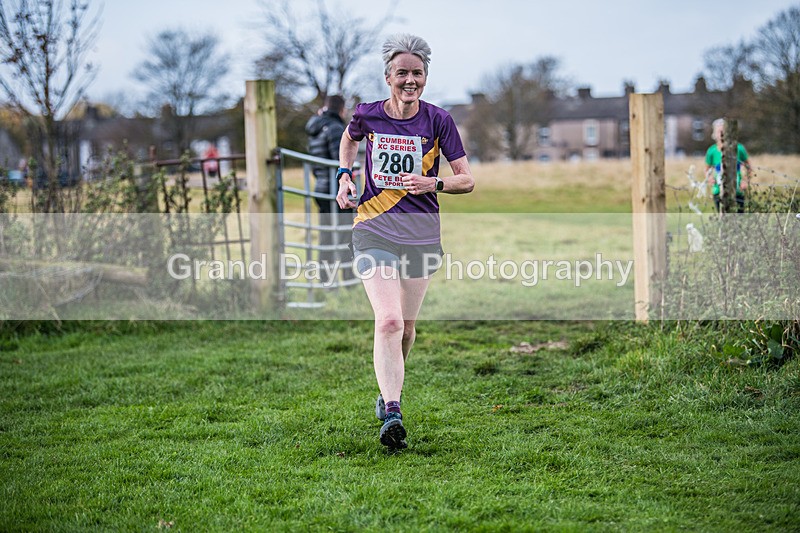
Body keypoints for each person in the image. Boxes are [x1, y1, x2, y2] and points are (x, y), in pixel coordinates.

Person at [336, 34, 475, 450]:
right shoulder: (367, 115)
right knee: (389, 321)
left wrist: (433, 182)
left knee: (408, 328)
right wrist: (345, 175)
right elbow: (348, 139)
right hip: (373, 227)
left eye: (417, 73)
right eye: (402, 73)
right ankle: (393, 410)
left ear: (425, 78)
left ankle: (385, 390)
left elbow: (466, 179)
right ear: (388, 77)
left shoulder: (438, 121)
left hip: (420, 233)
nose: (409, 80)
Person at [305, 94, 354, 283]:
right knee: (345, 234)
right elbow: (341, 163)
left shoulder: (315, 127)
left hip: (320, 187)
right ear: (341, 109)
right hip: (335, 190)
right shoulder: (335, 128)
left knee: (326, 235)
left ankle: (325, 279)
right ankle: (347, 279)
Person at [705, 118, 753, 213]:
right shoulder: (711, 151)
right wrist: (709, 178)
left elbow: (748, 167)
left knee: (739, 217)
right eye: (719, 132)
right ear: (714, 134)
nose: (721, 134)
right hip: (718, 190)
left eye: (724, 131)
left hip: (738, 190)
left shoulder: (739, 148)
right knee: (723, 216)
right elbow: (707, 169)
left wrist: (745, 181)